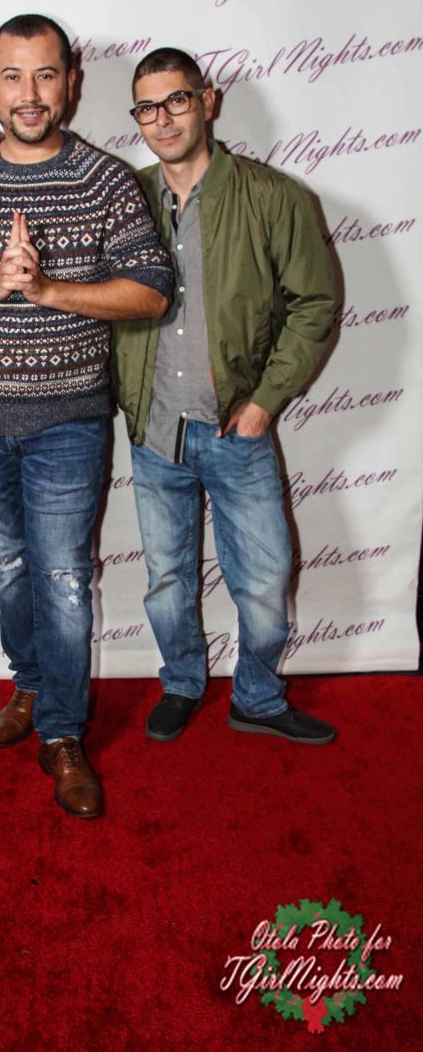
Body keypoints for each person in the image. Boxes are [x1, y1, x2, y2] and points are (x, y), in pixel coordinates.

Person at [0, 14, 173, 818]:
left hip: (68, 419)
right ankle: (31, 684)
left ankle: (63, 732)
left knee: (64, 578)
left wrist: (46, 290)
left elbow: (151, 291)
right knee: (9, 563)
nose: (28, 93)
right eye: (12, 75)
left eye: (45, 74)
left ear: (71, 81)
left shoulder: (107, 180)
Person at [111, 47, 337, 745]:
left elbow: (315, 304)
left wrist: (265, 400)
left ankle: (258, 697)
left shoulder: (273, 196)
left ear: (207, 101)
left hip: (238, 431)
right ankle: (182, 682)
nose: (163, 119)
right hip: (155, 434)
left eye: (177, 100)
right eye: (147, 107)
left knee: (264, 582)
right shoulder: (124, 198)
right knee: (166, 579)